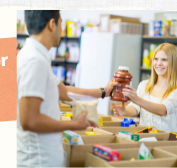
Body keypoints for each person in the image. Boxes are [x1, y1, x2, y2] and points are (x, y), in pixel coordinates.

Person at [17, 10, 118, 167]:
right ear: (52, 24)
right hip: (38, 160)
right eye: (61, 23)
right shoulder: (34, 61)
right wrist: (74, 125)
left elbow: (63, 91)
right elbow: (29, 120)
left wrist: (103, 91)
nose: (62, 29)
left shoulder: (35, 55)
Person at [114, 43, 177, 133]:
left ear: (173, 62)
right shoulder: (144, 85)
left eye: (164, 60)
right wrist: (124, 111)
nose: (158, 63)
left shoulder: (176, 89)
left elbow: (163, 110)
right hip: (146, 138)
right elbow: (135, 107)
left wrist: (137, 99)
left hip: (168, 142)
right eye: (156, 59)